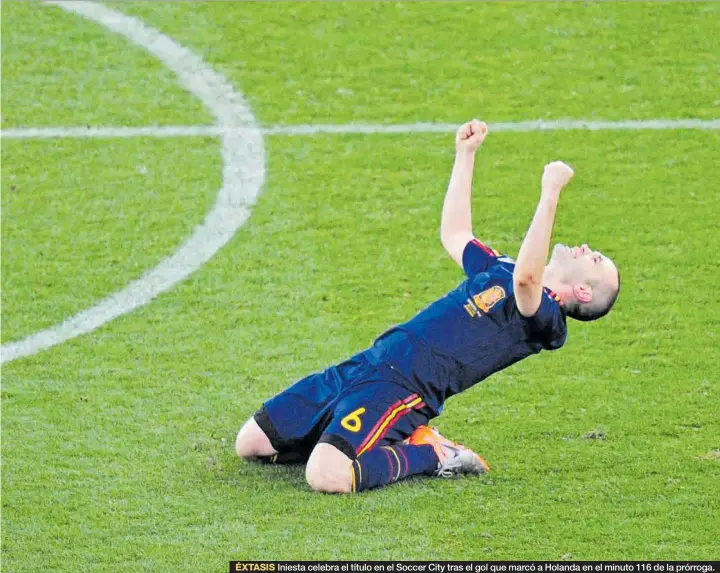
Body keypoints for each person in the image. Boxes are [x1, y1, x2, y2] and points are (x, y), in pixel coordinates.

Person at [234, 119, 620, 493]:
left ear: (583, 293)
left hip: (402, 388)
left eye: (597, 260)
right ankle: (341, 437)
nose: (588, 250)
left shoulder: (546, 319)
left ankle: (432, 453)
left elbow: (527, 280)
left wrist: (550, 192)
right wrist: (464, 155)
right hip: (369, 361)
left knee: (327, 476)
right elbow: (455, 234)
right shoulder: (499, 267)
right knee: (250, 443)